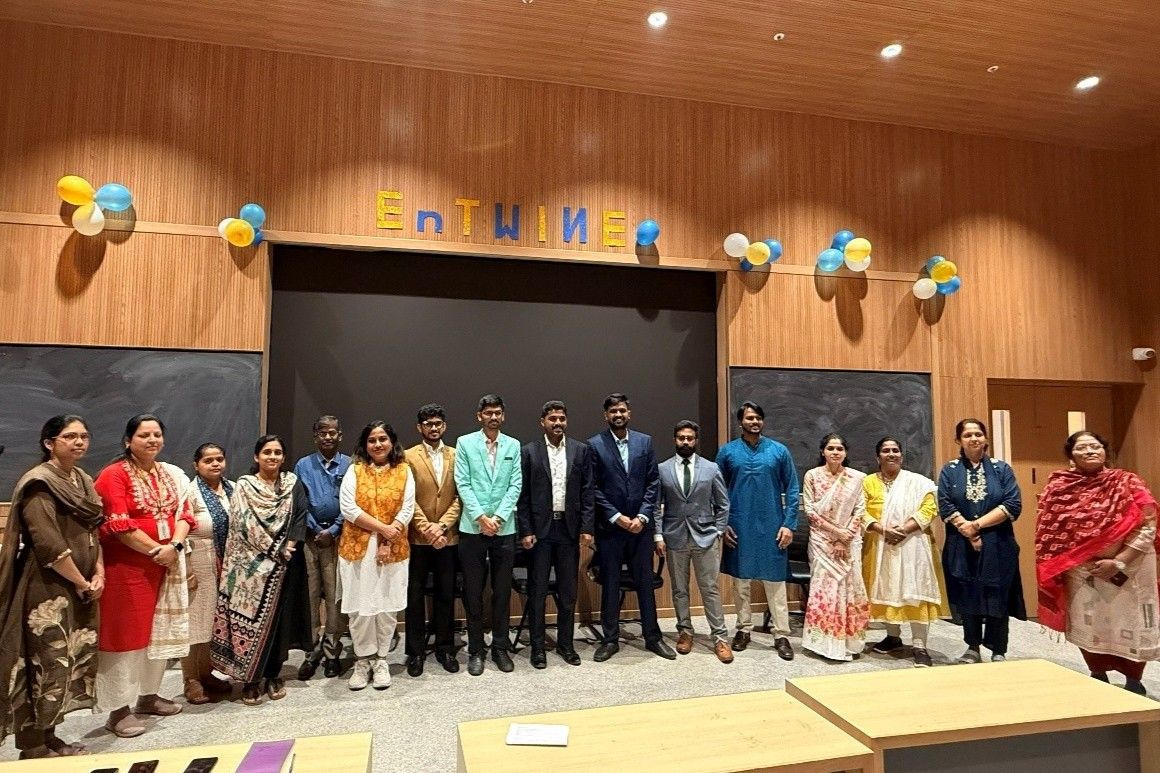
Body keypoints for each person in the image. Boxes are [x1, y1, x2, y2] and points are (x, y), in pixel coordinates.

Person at [0, 415, 104, 759]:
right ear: (49, 443)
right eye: (69, 436)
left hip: (80, 585)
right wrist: (82, 581)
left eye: (84, 436)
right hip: (46, 587)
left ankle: (50, 734)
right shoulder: (39, 484)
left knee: (65, 661)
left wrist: (99, 573)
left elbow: (93, 531)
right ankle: (32, 745)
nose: (79, 442)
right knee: (42, 660)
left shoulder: (83, 480)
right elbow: (49, 545)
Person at [94, 414, 195, 738]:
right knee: (125, 638)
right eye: (144, 435)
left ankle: (148, 696)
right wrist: (157, 550)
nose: (152, 440)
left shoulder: (169, 473)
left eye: (156, 435)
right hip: (127, 570)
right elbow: (119, 525)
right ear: (128, 441)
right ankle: (117, 710)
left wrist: (174, 547)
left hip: (164, 566)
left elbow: (185, 513)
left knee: (157, 632)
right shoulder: (113, 475)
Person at [1035, 431, 1158, 695]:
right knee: (1090, 622)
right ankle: (1097, 672)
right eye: (1082, 447)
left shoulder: (1128, 482)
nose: (1090, 451)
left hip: (1132, 567)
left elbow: (1148, 522)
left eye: (1095, 446)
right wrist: (1086, 560)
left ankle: (1134, 679)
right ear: (1071, 455)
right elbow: (1051, 532)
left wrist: (1120, 561)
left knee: (1130, 620)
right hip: (1082, 570)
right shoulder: (1058, 487)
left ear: (1105, 451)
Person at [211, 435, 312, 706]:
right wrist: (272, 548)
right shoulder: (245, 486)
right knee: (249, 622)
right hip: (250, 568)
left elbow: (300, 515)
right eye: (267, 452)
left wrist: (289, 546)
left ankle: (273, 675)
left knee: (280, 622)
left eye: (278, 452)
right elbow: (241, 523)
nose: (273, 457)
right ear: (257, 457)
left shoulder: (292, 483)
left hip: (285, 563)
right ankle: (251, 680)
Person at [587, 393, 676, 661]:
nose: (618, 415)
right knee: (611, 584)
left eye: (622, 410)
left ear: (629, 413)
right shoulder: (594, 445)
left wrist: (643, 517)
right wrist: (617, 517)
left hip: (640, 528)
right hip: (611, 530)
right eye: (613, 411)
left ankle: (653, 637)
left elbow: (652, 483)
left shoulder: (644, 442)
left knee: (645, 583)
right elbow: (593, 488)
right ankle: (610, 639)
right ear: (606, 415)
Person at [937, 419, 1025, 664]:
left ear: (986, 439)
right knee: (967, 592)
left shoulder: (1001, 469)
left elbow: (1012, 504)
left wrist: (976, 526)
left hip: (998, 542)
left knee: (997, 592)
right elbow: (945, 503)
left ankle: (998, 648)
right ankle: (972, 646)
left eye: (978, 434)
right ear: (958, 440)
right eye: (967, 435)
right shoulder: (950, 470)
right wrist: (968, 531)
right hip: (960, 542)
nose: (973, 438)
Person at [716, 401, 799, 660]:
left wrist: (789, 524)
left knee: (775, 582)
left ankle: (781, 634)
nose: (755, 422)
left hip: (773, 524)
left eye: (758, 418)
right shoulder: (727, 452)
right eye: (750, 418)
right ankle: (743, 629)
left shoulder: (779, 451)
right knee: (741, 581)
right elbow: (716, 491)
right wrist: (722, 524)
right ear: (740, 421)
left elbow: (793, 489)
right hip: (738, 524)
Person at [516, 401, 595, 668]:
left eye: (561, 418)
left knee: (568, 592)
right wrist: (526, 529)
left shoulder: (580, 450)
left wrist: (587, 528)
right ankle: (538, 648)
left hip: (569, 531)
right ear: (543, 422)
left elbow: (587, 492)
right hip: (540, 532)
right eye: (552, 419)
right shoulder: (529, 451)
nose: (558, 423)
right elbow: (522, 496)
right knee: (538, 591)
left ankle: (566, 645)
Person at [339, 421, 415, 691]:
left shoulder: (404, 471)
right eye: (372, 440)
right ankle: (363, 660)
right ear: (365, 444)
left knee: (387, 607)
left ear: (392, 442)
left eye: (383, 439)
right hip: (358, 549)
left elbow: (407, 508)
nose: (378, 444)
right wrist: (383, 529)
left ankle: (381, 659)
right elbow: (348, 508)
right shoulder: (355, 470)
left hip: (394, 549)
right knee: (360, 609)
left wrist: (389, 536)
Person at [861, 436, 949, 668]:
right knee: (888, 588)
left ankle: (920, 645)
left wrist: (904, 530)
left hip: (914, 545)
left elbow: (930, 508)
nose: (891, 454)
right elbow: (860, 511)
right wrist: (883, 530)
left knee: (914, 591)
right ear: (877, 457)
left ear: (901, 455)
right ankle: (893, 637)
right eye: (886, 450)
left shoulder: (918, 482)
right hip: (880, 545)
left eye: (895, 450)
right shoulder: (867, 482)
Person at [454, 395, 522, 676]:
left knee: (502, 592)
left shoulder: (513, 445)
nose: (493, 417)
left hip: (504, 529)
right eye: (488, 413)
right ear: (479, 416)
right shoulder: (465, 443)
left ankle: (500, 648)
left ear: (503, 416)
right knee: (473, 592)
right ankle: (476, 650)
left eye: (497, 413)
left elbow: (515, 485)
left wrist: (499, 518)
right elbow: (462, 483)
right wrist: (481, 517)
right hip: (473, 528)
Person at [655, 420, 732, 663]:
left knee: (710, 589)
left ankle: (720, 638)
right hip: (674, 537)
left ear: (696, 440)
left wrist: (719, 531)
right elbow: (656, 506)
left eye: (690, 438)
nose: (685, 442)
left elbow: (723, 503)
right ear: (675, 440)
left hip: (706, 537)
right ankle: (685, 632)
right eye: (681, 438)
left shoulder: (711, 468)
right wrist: (658, 535)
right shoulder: (662, 469)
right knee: (679, 589)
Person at [800, 433, 870, 662]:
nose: (835, 452)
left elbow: (860, 510)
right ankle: (822, 644)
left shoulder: (856, 478)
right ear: (823, 451)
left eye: (840, 448)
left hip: (849, 542)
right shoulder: (812, 476)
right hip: (821, 543)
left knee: (850, 589)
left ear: (845, 452)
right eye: (831, 448)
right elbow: (810, 511)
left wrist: (843, 538)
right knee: (824, 591)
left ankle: (848, 643)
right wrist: (836, 534)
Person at [404, 404, 462, 676]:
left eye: (438, 423)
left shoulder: (456, 454)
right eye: (428, 424)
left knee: (445, 594)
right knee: (414, 596)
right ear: (420, 428)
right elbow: (407, 497)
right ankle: (415, 652)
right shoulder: (407, 456)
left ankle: (445, 648)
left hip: (447, 537)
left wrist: (441, 526)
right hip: (418, 538)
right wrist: (426, 527)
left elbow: (460, 495)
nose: (434, 428)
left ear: (444, 426)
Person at [293, 415, 351, 681]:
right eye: (322, 433)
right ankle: (311, 651)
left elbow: (352, 502)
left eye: (332, 433)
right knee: (311, 595)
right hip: (310, 539)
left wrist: (334, 530)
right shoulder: (303, 465)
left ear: (340, 435)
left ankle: (332, 652)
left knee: (335, 597)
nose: (328, 437)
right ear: (315, 436)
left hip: (339, 539)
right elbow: (299, 502)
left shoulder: (350, 464)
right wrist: (317, 529)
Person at [181, 443, 234, 704]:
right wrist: (187, 568)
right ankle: (191, 679)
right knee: (196, 622)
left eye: (219, 459)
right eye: (208, 460)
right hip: (199, 561)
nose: (215, 464)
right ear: (196, 465)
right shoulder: (189, 492)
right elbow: (181, 531)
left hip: (227, 563)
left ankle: (207, 672)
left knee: (215, 622)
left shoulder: (232, 488)